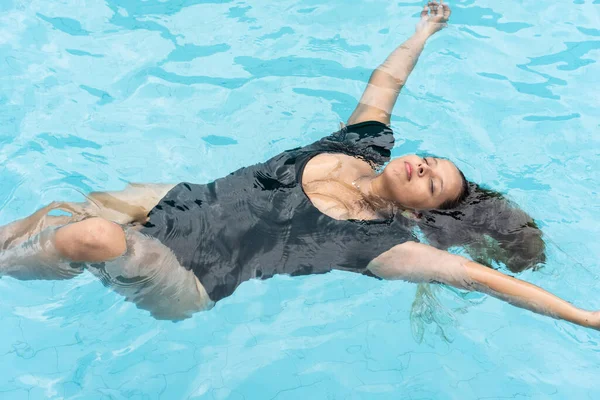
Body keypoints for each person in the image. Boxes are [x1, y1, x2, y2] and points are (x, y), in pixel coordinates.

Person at [1, 1, 598, 330]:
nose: (423, 165)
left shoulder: (381, 245)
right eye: (431, 160)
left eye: (433, 183)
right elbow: (387, 82)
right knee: (70, 207)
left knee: (92, 233)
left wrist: (585, 317)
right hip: (187, 201)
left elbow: (481, 278)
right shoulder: (364, 144)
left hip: (191, 271)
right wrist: (424, 31)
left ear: (428, 214)